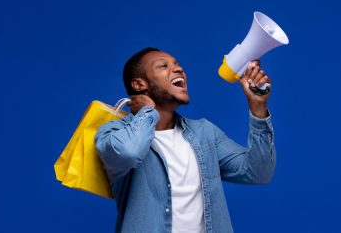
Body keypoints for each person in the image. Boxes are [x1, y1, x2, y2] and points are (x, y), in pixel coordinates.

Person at [95, 47, 276, 233]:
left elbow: (258, 172)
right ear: (139, 85)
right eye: (163, 66)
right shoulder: (114, 132)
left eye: (177, 64)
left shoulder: (204, 133)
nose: (178, 69)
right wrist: (146, 112)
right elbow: (129, 153)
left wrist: (258, 107)